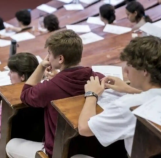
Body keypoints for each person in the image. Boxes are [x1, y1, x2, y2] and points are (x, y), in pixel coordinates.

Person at [6, 30, 104, 158]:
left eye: (49, 54)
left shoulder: (50, 88)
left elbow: (25, 95)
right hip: (89, 149)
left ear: (60, 58)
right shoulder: (97, 79)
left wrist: (41, 66)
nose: (48, 57)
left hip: (58, 151)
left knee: (11, 145)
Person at [78, 36, 161, 156]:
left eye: (130, 64)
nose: (126, 70)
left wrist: (91, 94)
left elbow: (84, 129)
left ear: (144, 71)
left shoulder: (127, 106)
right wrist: (128, 89)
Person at [0, 53, 39, 138]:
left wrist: (1, 106)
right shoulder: (42, 91)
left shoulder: (9, 100)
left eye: (11, 71)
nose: (8, 74)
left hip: (16, 139)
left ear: (22, 76)